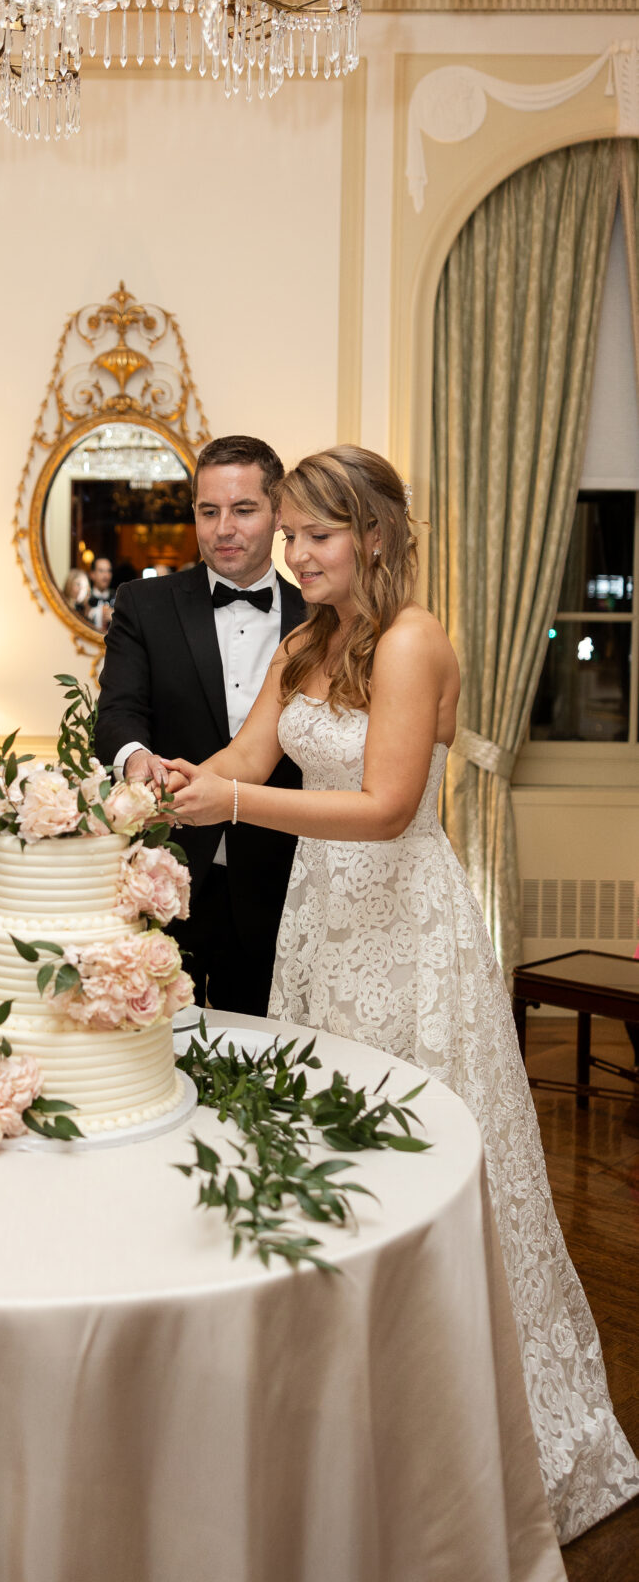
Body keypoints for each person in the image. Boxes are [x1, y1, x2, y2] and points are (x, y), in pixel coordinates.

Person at [167, 444, 639, 1543]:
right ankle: (341, 1420)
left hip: (406, 927)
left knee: (429, 1164)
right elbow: (243, 753)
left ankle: (475, 1436)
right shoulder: (300, 641)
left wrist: (232, 804)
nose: (291, 553)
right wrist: (175, 778)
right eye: (286, 536)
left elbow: (384, 805)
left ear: (371, 536)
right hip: (318, 928)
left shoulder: (414, 639)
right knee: (327, 1167)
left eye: (312, 536)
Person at [95, 435, 305, 1015]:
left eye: (243, 510)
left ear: (279, 510)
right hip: (171, 868)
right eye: (209, 512)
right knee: (160, 1045)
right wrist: (137, 758)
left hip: (282, 874)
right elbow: (116, 712)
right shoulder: (144, 602)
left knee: (265, 1056)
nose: (223, 529)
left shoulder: (323, 615)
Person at [87, 556, 115, 632]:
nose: (106, 576)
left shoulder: (118, 598)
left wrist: (116, 618)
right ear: (92, 574)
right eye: (101, 571)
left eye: (108, 571)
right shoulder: (85, 599)